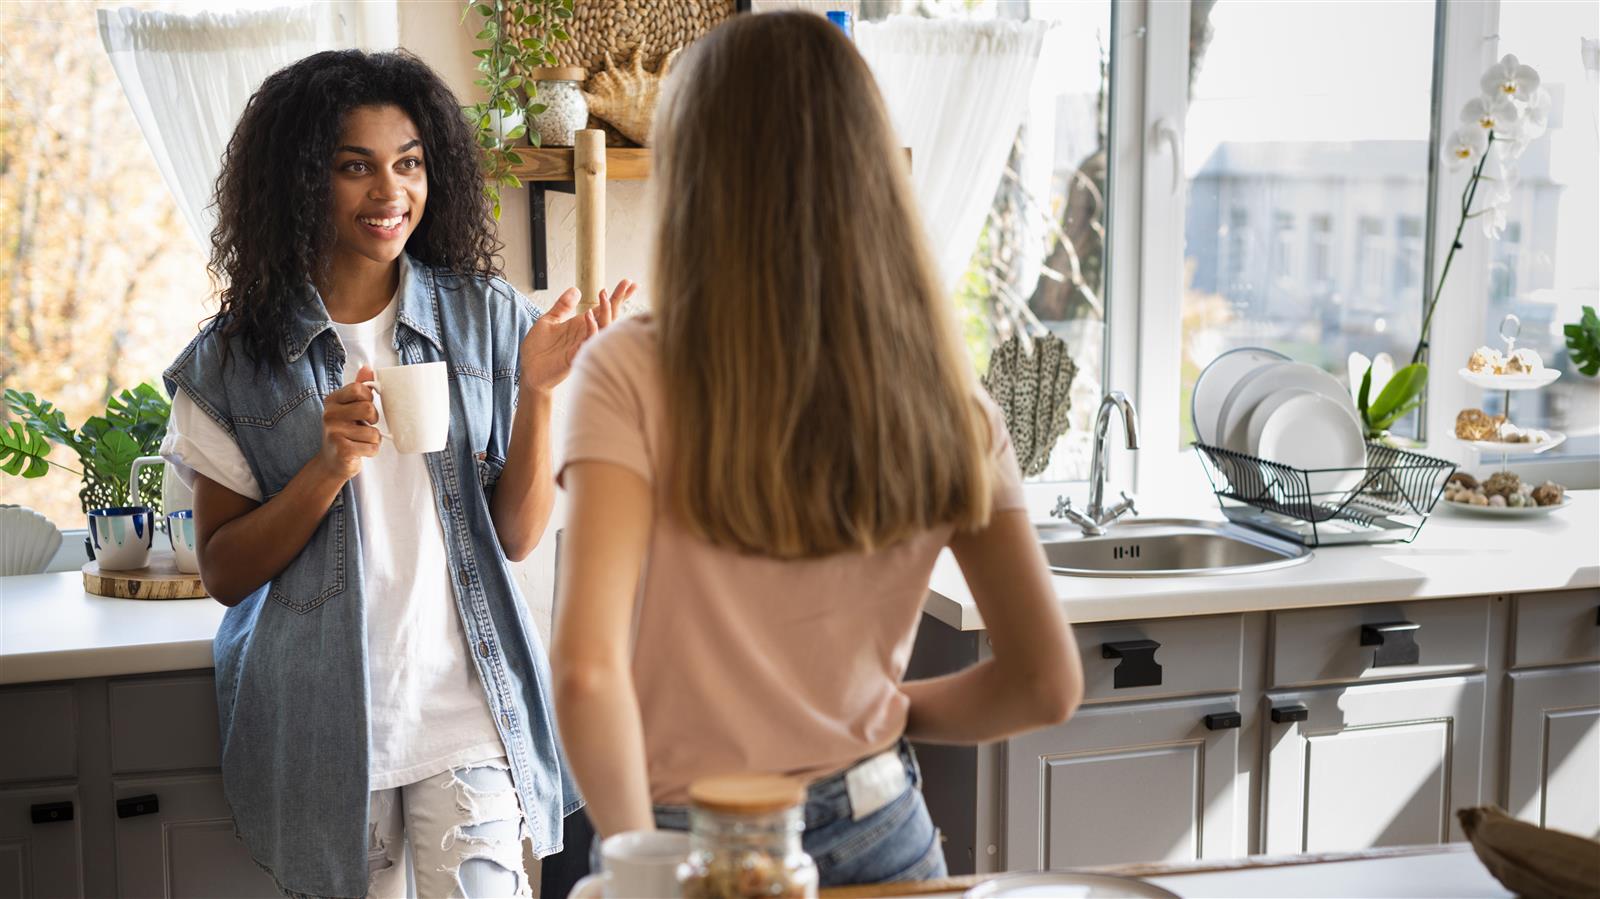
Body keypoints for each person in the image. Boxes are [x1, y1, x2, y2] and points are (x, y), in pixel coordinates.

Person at [551, 11, 1084, 889]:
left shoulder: (633, 369)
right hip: (884, 827)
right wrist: (876, 715)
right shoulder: (950, 403)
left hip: (694, 837)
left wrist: (644, 864)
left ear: (698, 179)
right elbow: (1044, 683)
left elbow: (585, 671)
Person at [158, 49, 634, 897]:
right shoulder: (234, 362)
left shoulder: (486, 316)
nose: (391, 193)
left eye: (408, 163)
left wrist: (540, 391)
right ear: (304, 179)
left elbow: (517, 535)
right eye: (356, 167)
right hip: (326, 726)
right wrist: (326, 467)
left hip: (467, 705)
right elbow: (225, 572)